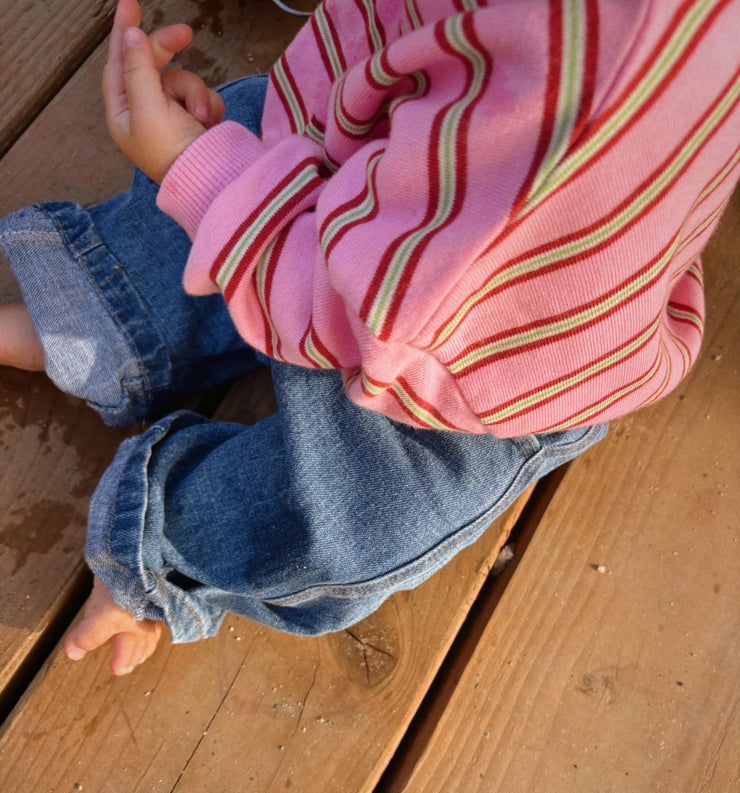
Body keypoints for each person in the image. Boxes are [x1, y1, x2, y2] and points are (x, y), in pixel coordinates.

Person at [0, 0, 737, 676]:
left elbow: (381, 317)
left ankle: (169, 544)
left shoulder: (597, 65)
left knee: (365, 505)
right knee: (256, 154)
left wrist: (201, 177)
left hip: (496, 345)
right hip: (398, 141)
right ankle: (100, 314)